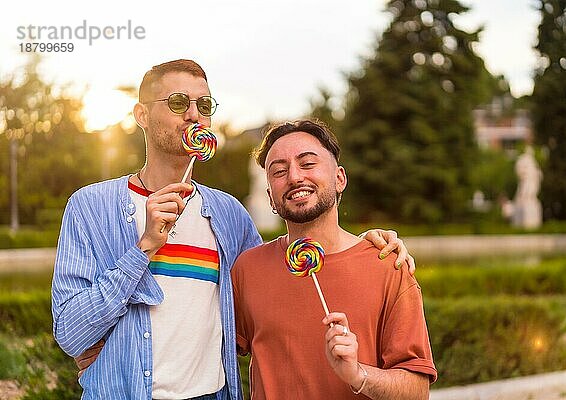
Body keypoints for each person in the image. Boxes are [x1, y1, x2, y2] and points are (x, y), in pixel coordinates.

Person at [52, 59, 414, 400]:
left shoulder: (230, 216)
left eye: (204, 105)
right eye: (178, 102)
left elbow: (277, 280)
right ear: (142, 115)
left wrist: (363, 244)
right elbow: (70, 333)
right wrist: (143, 247)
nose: (194, 114)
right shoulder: (90, 207)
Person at [233, 120, 437, 399]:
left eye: (307, 163)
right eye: (279, 171)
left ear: (340, 179)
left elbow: (417, 391)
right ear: (270, 196)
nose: (294, 177)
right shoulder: (247, 269)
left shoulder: (388, 265)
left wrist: (357, 374)